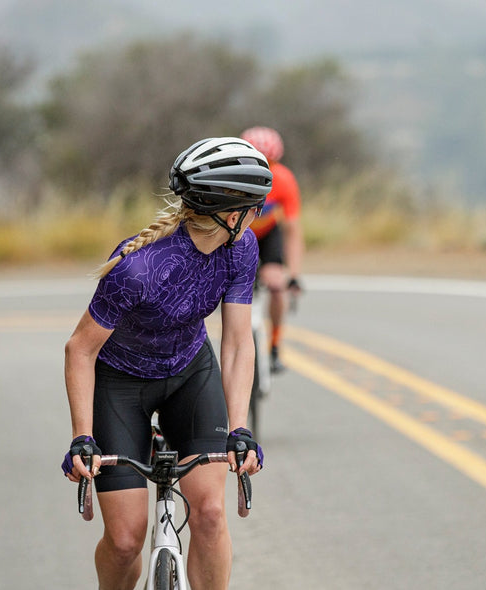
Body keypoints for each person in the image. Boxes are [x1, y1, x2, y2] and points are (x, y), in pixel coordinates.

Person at [60, 137, 269, 590]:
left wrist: (240, 429)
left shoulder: (241, 248)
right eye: (256, 207)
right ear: (231, 215)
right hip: (121, 385)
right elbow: (80, 349)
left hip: (190, 373)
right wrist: (82, 437)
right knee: (125, 539)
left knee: (210, 515)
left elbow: (236, 343)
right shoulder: (137, 267)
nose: (259, 215)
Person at [240, 126, 304, 373]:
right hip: (237, 233)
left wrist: (294, 275)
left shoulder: (284, 180)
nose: (264, 169)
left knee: (277, 284)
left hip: (267, 234)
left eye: (271, 163)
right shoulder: (232, 177)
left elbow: (293, 231)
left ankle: (275, 346)